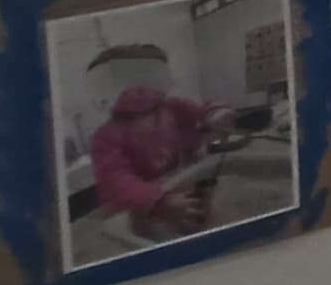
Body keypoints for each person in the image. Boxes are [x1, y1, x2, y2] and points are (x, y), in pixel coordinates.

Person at [82, 43, 232, 240]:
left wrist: (217, 115)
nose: (140, 88)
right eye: (126, 83)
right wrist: (158, 202)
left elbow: (203, 113)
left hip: (184, 185)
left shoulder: (175, 108)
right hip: (143, 211)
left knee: (206, 224)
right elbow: (115, 182)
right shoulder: (105, 137)